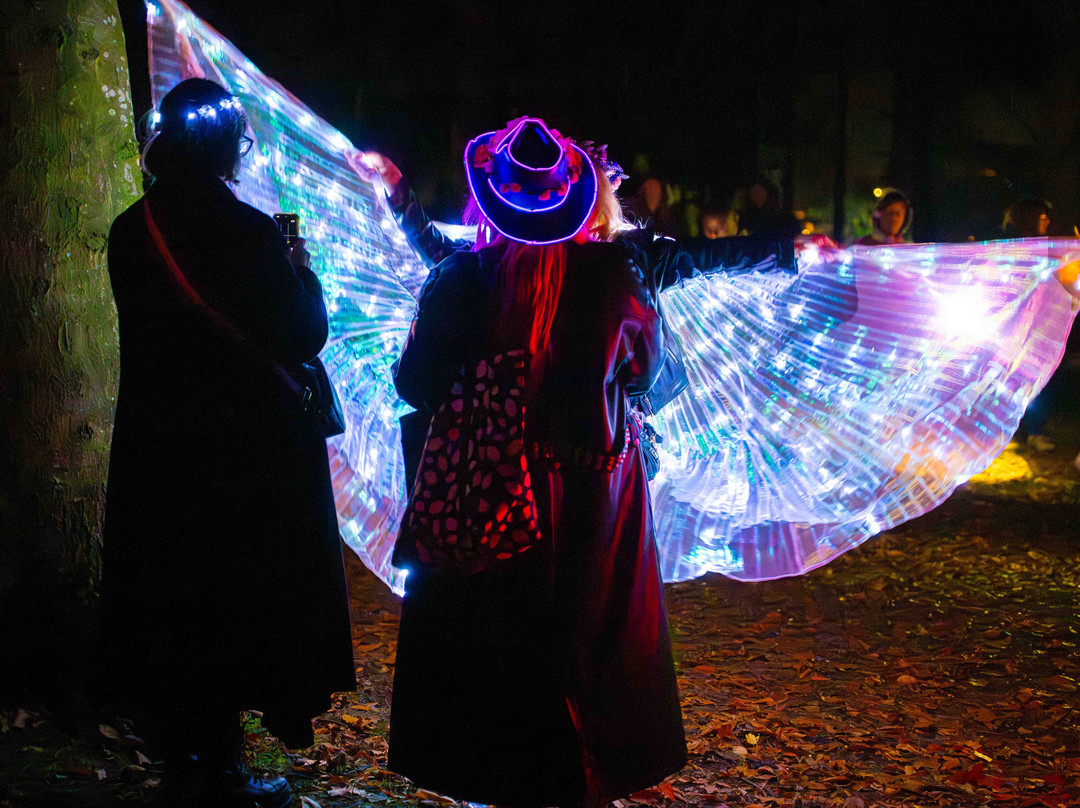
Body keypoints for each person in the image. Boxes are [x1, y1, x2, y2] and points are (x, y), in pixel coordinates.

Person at [379, 116, 800, 808]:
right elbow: (647, 374)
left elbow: (415, 383)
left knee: (489, 635)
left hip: (484, 492)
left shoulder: (462, 277)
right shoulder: (611, 279)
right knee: (585, 634)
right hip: (591, 494)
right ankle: (580, 770)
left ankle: (490, 769)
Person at [102, 78, 354, 807]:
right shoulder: (246, 231)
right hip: (247, 454)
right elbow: (303, 332)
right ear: (222, 146)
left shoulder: (131, 228)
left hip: (159, 448)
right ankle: (222, 771)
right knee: (238, 603)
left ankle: (189, 756)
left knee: (177, 602)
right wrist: (299, 268)